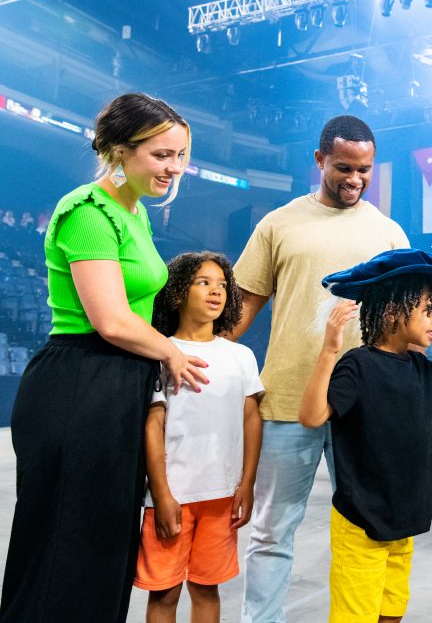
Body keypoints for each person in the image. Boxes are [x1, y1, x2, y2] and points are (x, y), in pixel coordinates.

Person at [0, 93, 208, 622]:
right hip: (79, 384)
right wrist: (171, 353)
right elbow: (110, 320)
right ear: (119, 150)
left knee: (106, 544)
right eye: (161, 155)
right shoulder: (87, 212)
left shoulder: (134, 213)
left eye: (180, 154)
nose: (174, 167)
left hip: (117, 384)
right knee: (64, 546)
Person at [231, 115, 409, 622]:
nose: (354, 179)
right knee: (271, 531)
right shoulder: (278, 224)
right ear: (319, 161)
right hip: (287, 399)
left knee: (371, 528)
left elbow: (406, 322)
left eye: (364, 170)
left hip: (364, 406)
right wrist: (202, 356)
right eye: (343, 168)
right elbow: (244, 306)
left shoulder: (389, 234)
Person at [298, 248, 432, 623]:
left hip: (402, 518)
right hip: (361, 521)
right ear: (392, 311)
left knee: (391, 613)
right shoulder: (358, 365)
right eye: (428, 309)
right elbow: (311, 416)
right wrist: (329, 351)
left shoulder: (418, 367)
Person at [136, 252, 264, 623]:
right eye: (203, 282)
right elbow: (152, 426)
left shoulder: (241, 356)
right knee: (165, 593)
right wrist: (160, 494)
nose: (216, 291)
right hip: (172, 496)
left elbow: (251, 418)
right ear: (177, 293)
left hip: (222, 497)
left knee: (207, 589)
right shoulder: (160, 352)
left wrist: (247, 483)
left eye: (223, 285)